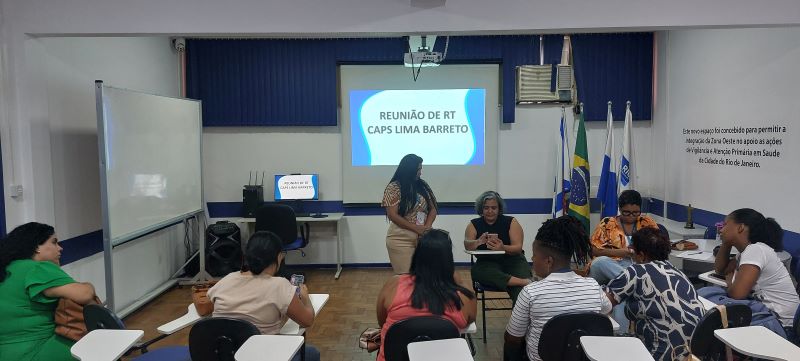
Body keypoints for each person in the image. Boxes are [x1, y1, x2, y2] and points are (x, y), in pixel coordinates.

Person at [505, 216, 612, 361]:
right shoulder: (592, 285)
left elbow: (513, 338)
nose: (532, 259)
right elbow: (606, 311)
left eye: (534, 255)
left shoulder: (530, 292)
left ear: (548, 261)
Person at [208, 231, 320, 361]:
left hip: (222, 354)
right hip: (262, 355)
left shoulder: (227, 279)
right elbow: (307, 320)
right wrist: (305, 298)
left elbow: (213, 309)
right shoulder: (279, 285)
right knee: (311, 354)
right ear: (278, 257)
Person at [0, 222, 97, 361]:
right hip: (37, 350)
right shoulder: (37, 269)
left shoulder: (7, 269)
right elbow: (84, 294)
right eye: (54, 242)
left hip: (6, 353)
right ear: (37, 247)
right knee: (97, 346)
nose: (60, 248)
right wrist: (88, 286)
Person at [604, 227, 703, 361]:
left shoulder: (636, 271)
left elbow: (604, 305)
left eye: (633, 253)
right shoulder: (677, 272)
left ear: (642, 255)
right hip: (693, 355)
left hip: (660, 354)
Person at [376, 229, 476, 361]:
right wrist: (458, 279)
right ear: (448, 259)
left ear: (417, 255)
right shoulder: (464, 298)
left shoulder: (393, 284)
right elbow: (469, 321)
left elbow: (382, 322)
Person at [710, 208, 799, 332]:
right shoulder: (745, 253)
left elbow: (737, 294)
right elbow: (720, 270)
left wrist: (730, 282)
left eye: (725, 224)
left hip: (783, 325)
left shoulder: (756, 250)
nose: (721, 229)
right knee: (711, 296)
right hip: (769, 315)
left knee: (712, 300)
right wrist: (726, 244)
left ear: (740, 227)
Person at [464, 191, 532, 303]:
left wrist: (503, 248)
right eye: (486, 208)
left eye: (493, 208)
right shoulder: (473, 224)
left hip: (513, 260)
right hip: (486, 263)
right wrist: (478, 241)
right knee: (477, 272)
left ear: (499, 208)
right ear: (481, 209)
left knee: (522, 292)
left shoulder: (511, 221)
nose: (490, 211)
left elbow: (518, 248)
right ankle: (523, 281)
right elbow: (467, 245)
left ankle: (520, 318)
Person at [382, 154, 438, 274]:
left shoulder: (422, 185)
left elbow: (433, 209)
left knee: (424, 278)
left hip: (423, 238)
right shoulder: (394, 187)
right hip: (400, 238)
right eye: (418, 169)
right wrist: (416, 229)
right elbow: (392, 215)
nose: (420, 172)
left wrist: (426, 228)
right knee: (407, 279)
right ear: (410, 170)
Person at [589, 189, 659, 284]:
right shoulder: (607, 223)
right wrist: (620, 253)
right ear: (620, 209)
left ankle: (630, 282)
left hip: (640, 264)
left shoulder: (647, 223)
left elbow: (659, 246)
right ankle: (635, 283)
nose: (631, 216)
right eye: (626, 212)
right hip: (612, 265)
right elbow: (593, 250)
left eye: (635, 213)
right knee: (599, 262)